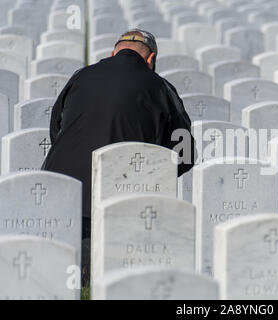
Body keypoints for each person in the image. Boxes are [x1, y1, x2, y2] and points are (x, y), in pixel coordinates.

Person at [41, 29, 196, 285]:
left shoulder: (81, 77)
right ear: (151, 59)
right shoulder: (160, 87)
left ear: (113, 53)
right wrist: (155, 177)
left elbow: (56, 128)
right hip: (126, 195)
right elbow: (185, 151)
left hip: (66, 189)